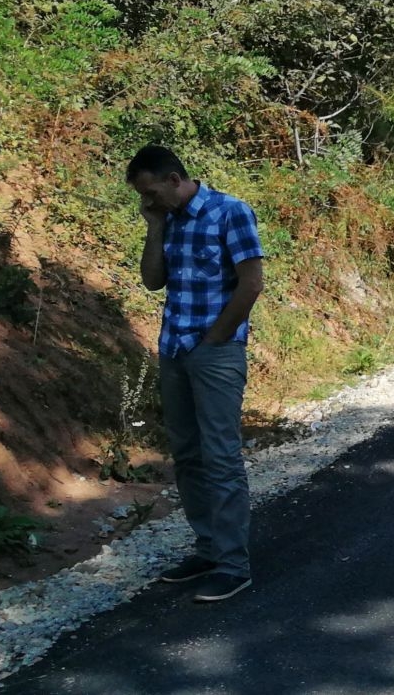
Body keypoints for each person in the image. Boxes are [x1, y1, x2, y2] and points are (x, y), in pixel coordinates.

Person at [126, 145, 264, 605]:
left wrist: (215, 340)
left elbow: (251, 283)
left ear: (173, 179)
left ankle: (233, 565)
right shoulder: (168, 220)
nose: (149, 201)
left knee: (221, 456)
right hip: (173, 351)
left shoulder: (230, 212)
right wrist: (154, 227)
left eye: (151, 193)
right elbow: (151, 280)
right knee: (187, 454)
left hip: (215, 354)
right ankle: (207, 548)